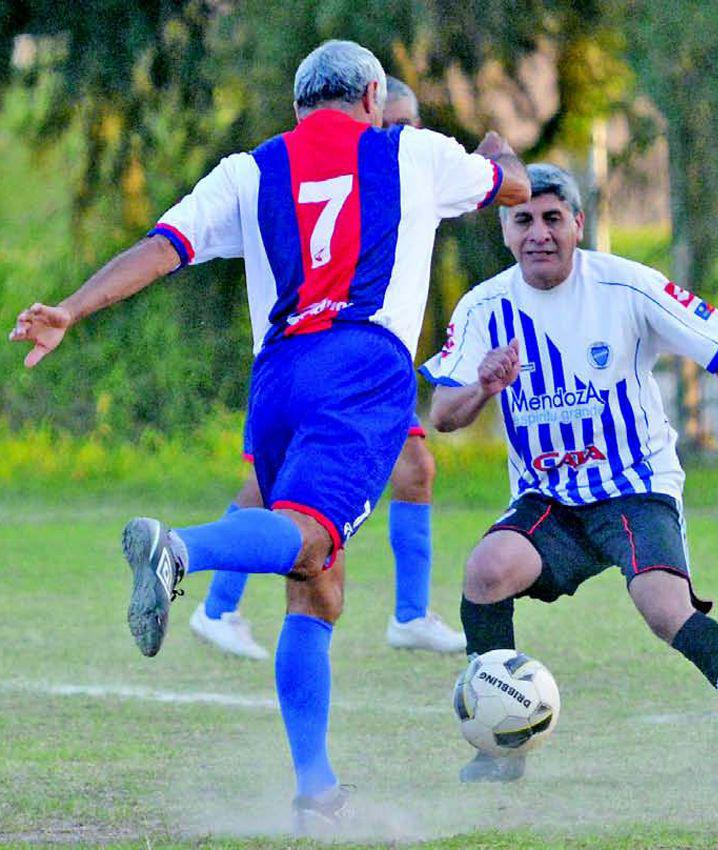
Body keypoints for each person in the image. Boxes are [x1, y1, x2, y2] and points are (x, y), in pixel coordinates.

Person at [9, 40, 531, 828]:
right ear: (371, 97)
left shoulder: (248, 170)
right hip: (362, 366)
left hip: (278, 378)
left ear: (298, 108)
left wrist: (72, 310)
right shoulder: (413, 151)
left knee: (316, 589)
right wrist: (497, 148)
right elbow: (515, 185)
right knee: (314, 542)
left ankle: (316, 791)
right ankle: (181, 549)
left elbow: (161, 250)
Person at [422, 163, 718, 785]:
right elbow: (444, 415)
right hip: (550, 495)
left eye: (553, 218)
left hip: (633, 486)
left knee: (663, 608)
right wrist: (483, 384)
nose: (539, 234)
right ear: (505, 229)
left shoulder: (627, 287)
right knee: (486, 572)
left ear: (577, 224)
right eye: (523, 220)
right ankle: (497, 750)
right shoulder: (484, 306)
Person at [190, 77, 465, 659]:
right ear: (367, 112)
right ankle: (214, 599)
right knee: (278, 497)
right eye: (390, 123)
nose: (400, 135)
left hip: (354, 363)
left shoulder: (407, 175)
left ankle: (408, 614)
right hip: (328, 359)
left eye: (409, 125)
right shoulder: (343, 176)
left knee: (413, 466)